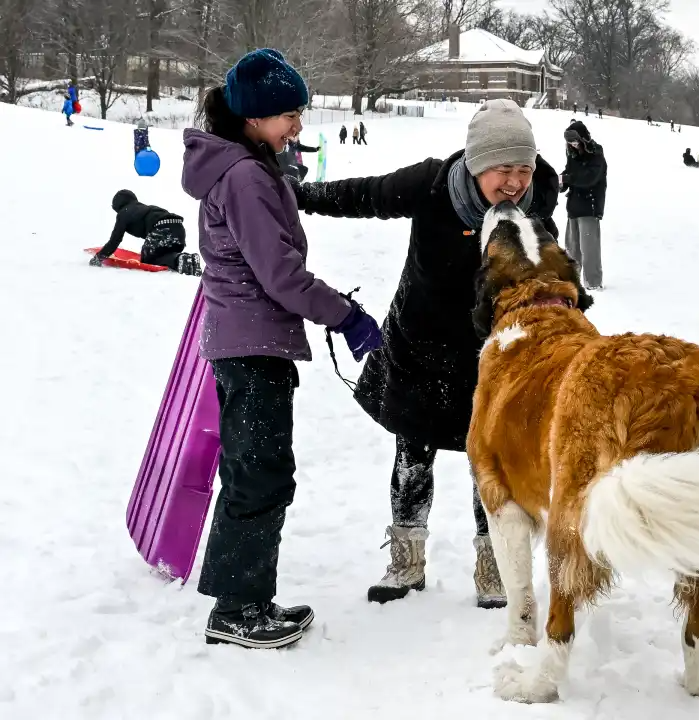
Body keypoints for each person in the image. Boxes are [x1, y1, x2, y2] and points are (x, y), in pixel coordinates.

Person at [292, 99, 561, 608]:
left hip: (492, 359)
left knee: (493, 465)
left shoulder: (538, 207)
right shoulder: (433, 185)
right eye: (503, 169)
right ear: (477, 164)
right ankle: (405, 564)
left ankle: (495, 567)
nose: (514, 183)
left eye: (523, 170)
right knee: (412, 456)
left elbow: (548, 281)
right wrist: (296, 195)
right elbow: (364, 195)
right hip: (420, 347)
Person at [180, 48, 383, 649]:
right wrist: (346, 315)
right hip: (252, 344)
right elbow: (281, 276)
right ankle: (237, 611)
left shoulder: (246, 166)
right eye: (289, 115)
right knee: (260, 473)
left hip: (247, 340)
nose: (298, 125)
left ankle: (243, 601)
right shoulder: (244, 176)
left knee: (255, 469)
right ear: (253, 117)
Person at [90, 189, 201, 275]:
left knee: (149, 258)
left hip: (162, 229)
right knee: (162, 253)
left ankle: (180, 259)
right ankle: (186, 259)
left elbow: (115, 240)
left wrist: (99, 258)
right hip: (179, 229)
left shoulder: (124, 213)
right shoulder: (145, 208)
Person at [560, 120, 606, 290]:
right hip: (573, 206)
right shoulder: (572, 155)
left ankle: (593, 282)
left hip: (589, 206)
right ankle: (572, 281)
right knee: (572, 249)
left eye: (575, 141)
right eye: (570, 142)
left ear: (583, 138)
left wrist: (569, 178)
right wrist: (561, 182)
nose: (573, 144)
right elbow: (569, 172)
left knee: (589, 249)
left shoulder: (596, 154)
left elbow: (589, 178)